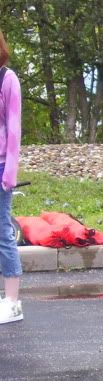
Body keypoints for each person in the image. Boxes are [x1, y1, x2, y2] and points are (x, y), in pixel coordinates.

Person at [0, 28, 23, 324]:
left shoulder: (8, 79)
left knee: (2, 232)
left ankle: (13, 302)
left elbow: (14, 129)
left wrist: (10, 172)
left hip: (1, 163)